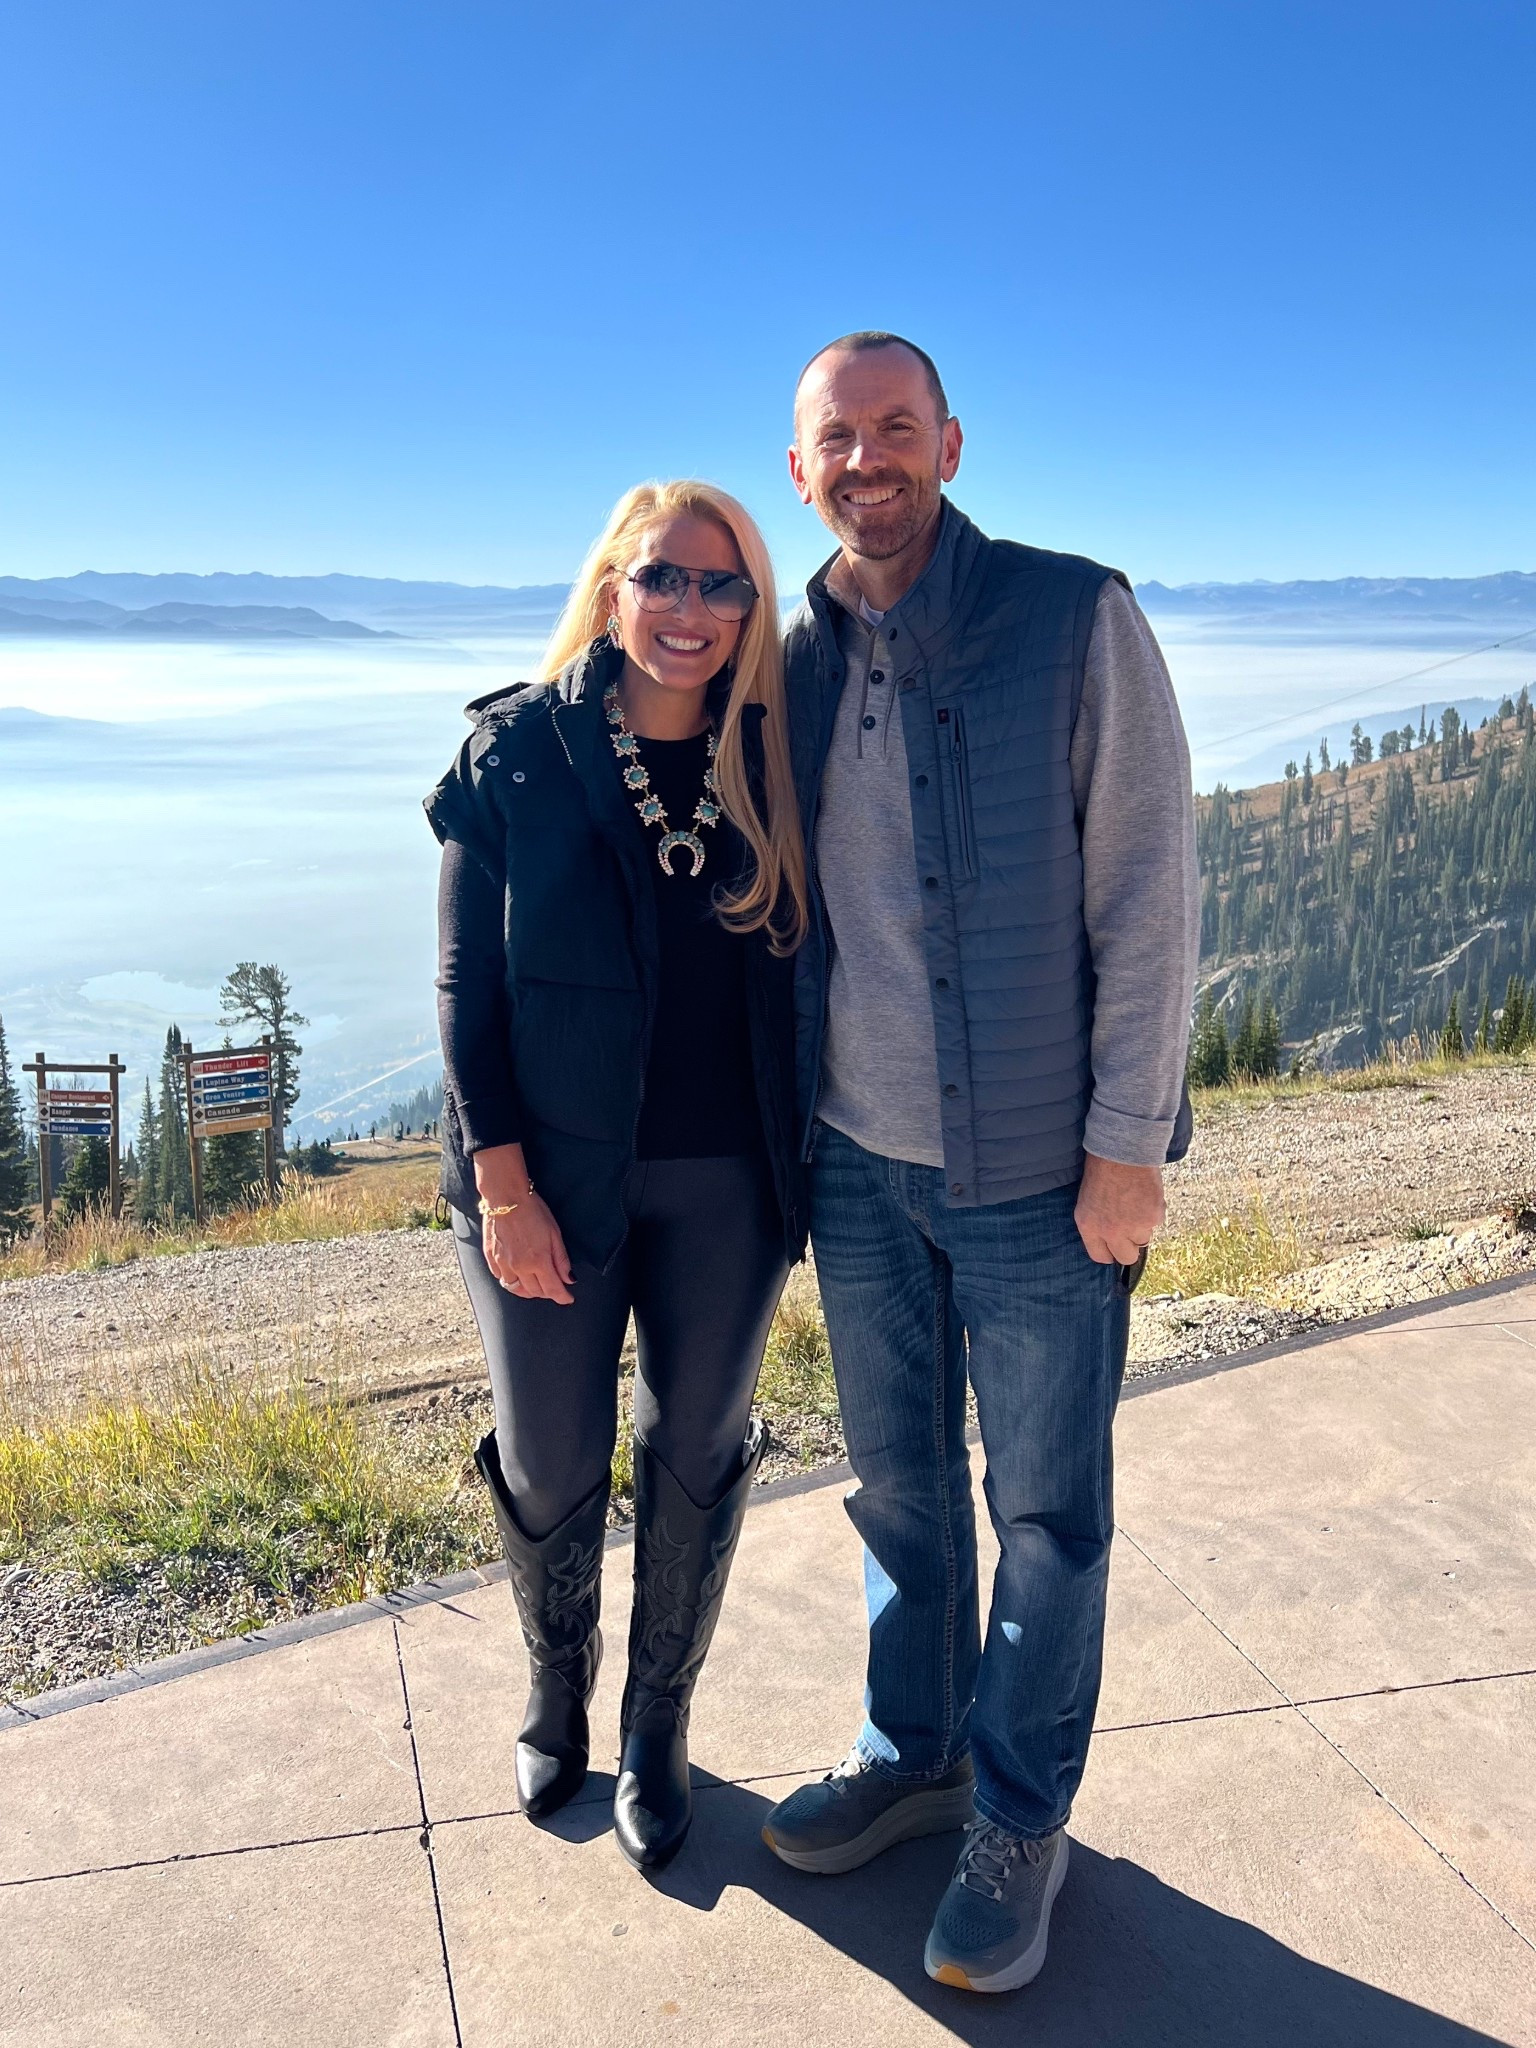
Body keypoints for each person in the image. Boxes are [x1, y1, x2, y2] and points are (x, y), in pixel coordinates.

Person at [760, 334, 1200, 1992]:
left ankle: (1021, 1814)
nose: (867, 460)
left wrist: (1127, 1147)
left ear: (949, 441)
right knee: (895, 1493)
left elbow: (1151, 893)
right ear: (800, 470)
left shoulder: (1075, 617)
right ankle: (918, 1749)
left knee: (1050, 1517)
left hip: (1036, 1170)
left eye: (895, 429)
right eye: (835, 440)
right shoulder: (786, 660)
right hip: (859, 1164)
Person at [425, 480, 808, 1871]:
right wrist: (505, 1187)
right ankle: (553, 1690)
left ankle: (658, 1722)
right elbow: (466, 997)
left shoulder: (777, 753)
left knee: (696, 1452)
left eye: (725, 589)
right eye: (665, 579)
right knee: (550, 1453)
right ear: (611, 585)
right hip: (544, 1184)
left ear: (752, 612)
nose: (693, 612)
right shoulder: (513, 754)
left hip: (733, 1181)